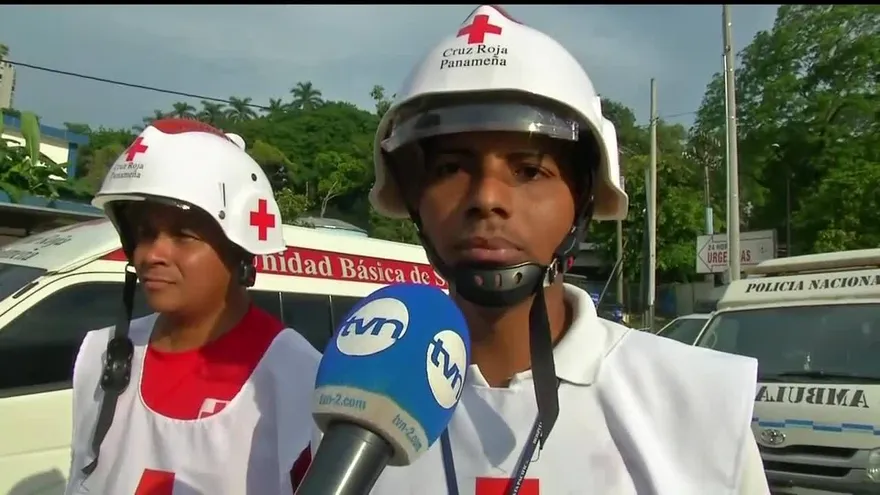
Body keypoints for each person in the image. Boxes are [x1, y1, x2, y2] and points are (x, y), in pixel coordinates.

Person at [360, 5, 771, 494]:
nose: (486, 199)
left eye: (529, 171)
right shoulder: (357, 402)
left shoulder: (696, 404)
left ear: (584, 198)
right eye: (450, 167)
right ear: (412, 197)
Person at [63, 119, 319, 494]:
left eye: (184, 235)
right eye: (145, 233)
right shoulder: (101, 355)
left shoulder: (298, 376)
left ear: (241, 249)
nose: (151, 254)